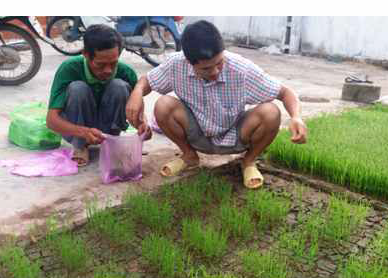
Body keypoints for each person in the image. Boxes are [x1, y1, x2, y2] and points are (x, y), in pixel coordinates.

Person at [125, 20, 308, 189]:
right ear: (189, 62)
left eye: (219, 63)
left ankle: (249, 161)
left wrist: (296, 117)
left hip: (236, 134)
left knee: (271, 112)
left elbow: (285, 93)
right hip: (197, 132)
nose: (215, 71)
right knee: (163, 105)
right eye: (206, 68)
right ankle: (189, 156)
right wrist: (137, 92)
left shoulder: (241, 69)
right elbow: (146, 81)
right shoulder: (176, 65)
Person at [46, 25, 138, 166]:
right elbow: (51, 120)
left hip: (106, 128)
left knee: (119, 86)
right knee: (78, 89)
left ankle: (111, 141)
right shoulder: (69, 69)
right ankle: (80, 146)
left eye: (113, 64)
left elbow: (137, 109)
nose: (108, 70)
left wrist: (143, 125)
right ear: (86, 55)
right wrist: (82, 132)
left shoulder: (126, 72)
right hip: (77, 129)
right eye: (100, 65)